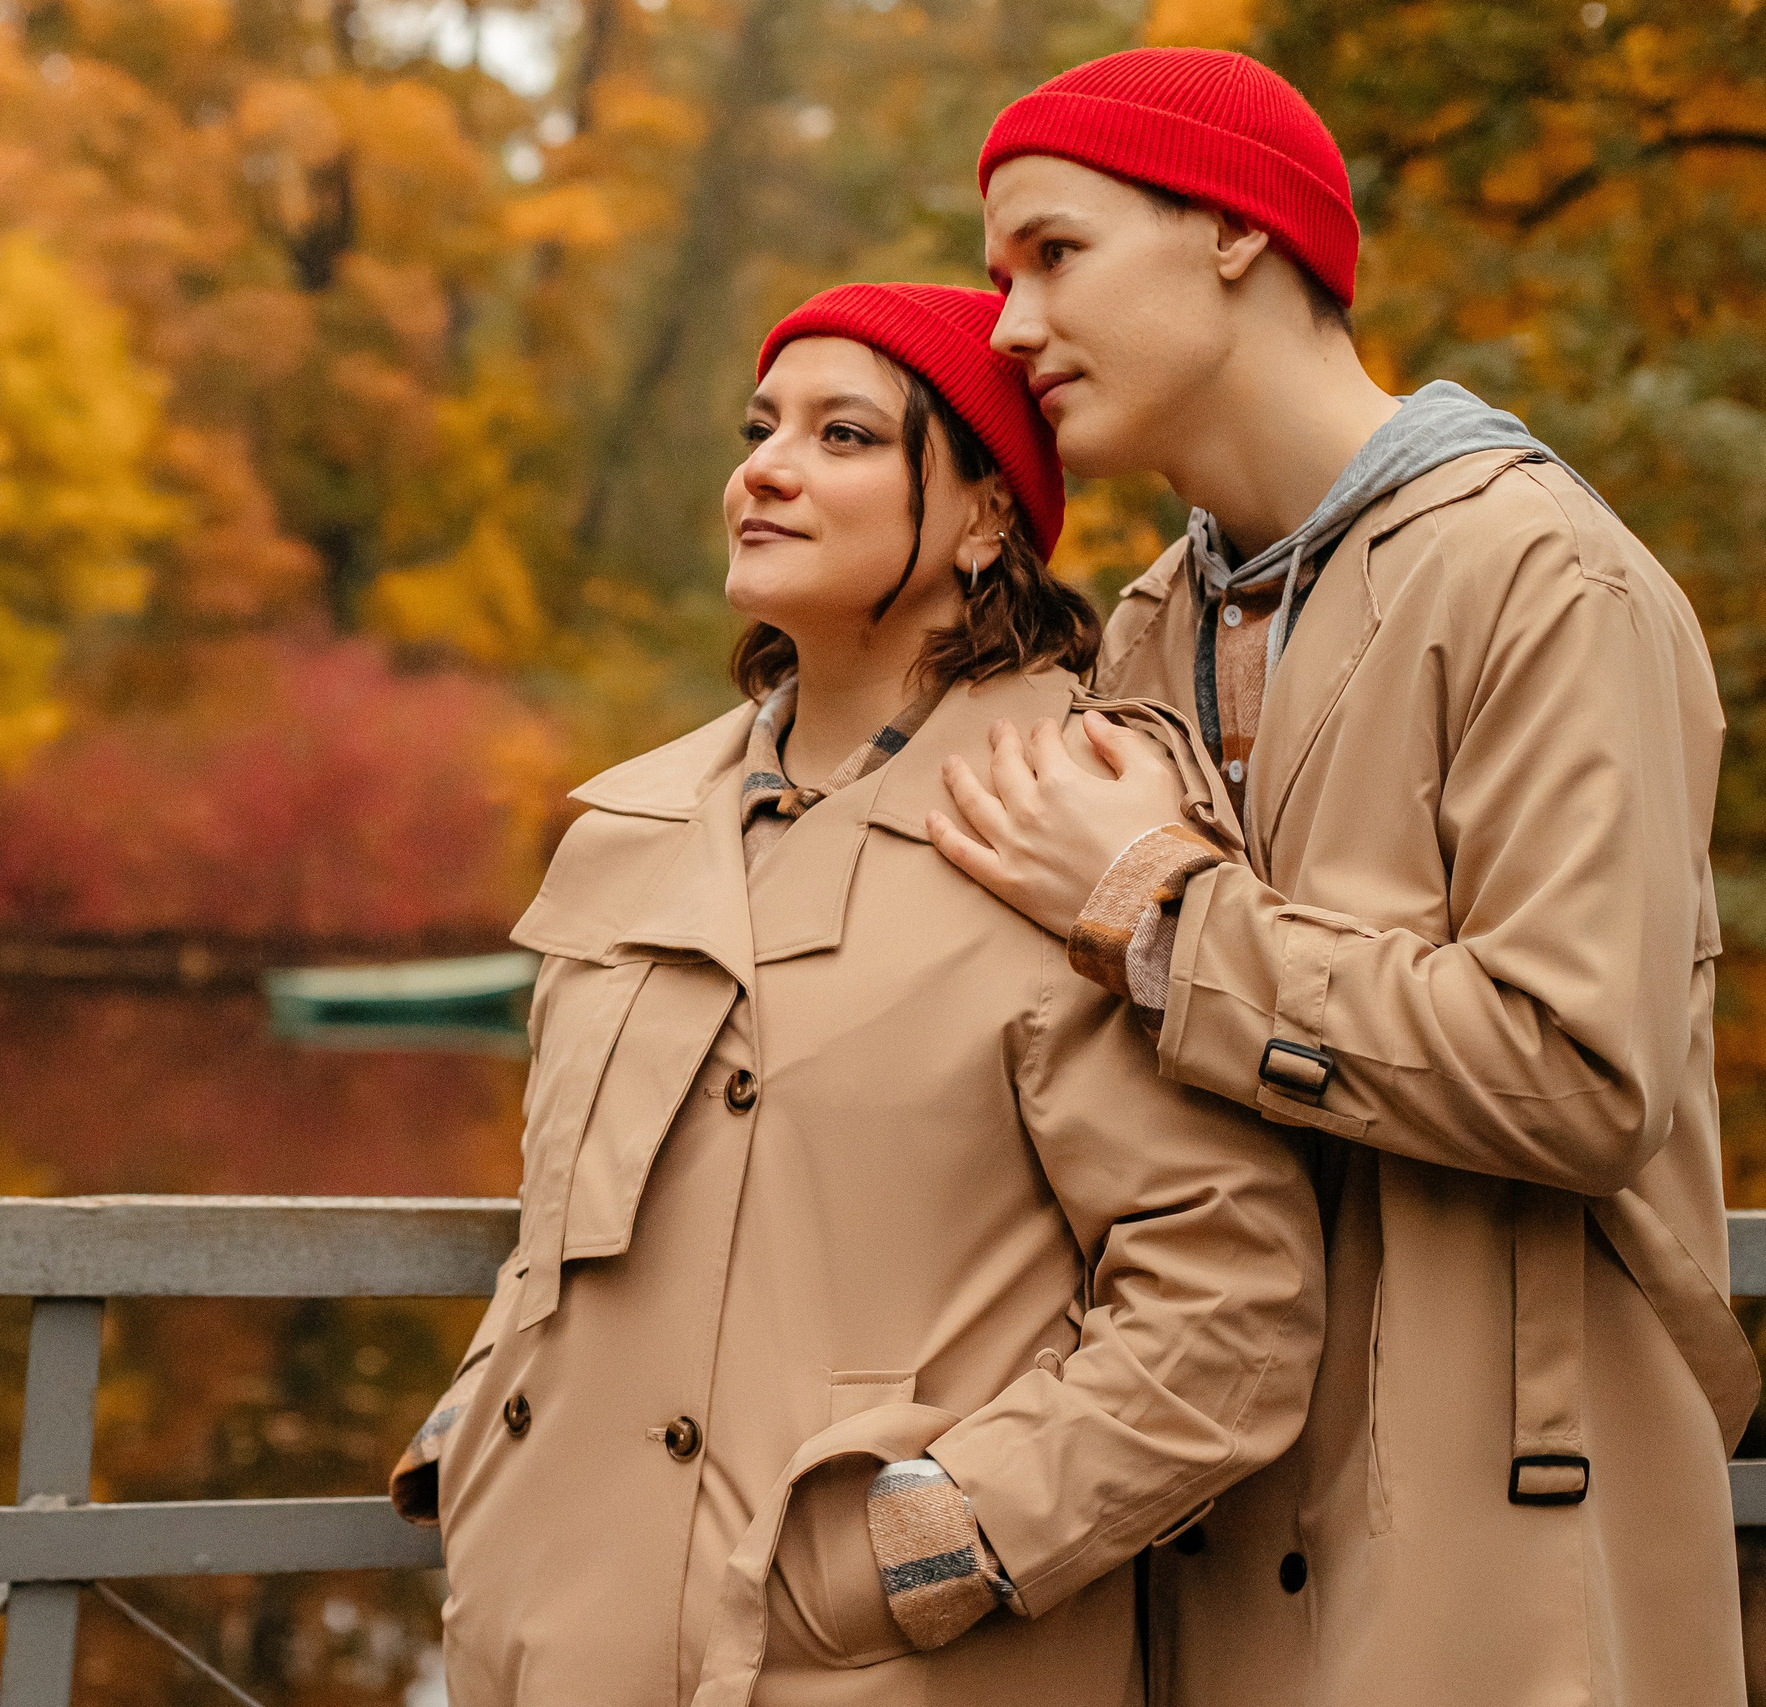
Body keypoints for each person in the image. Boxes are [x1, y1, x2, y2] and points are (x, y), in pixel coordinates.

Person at [931, 47, 1758, 1705]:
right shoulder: (1152, 626)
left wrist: (1163, 916)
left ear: (1235, 231)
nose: (1009, 324)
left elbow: (1582, 1074)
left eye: (1055, 254)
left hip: (1510, 1557)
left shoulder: (1543, 578)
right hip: (1195, 1543)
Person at [387, 280, 1324, 1706]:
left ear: (984, 514)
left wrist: (929, 1545)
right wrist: (479, 1443)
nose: (764, 467)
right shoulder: (631, 831)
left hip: (868, 1665)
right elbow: (559, 1233)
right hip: (550, 1640)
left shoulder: (1067, 826)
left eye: (843, 436)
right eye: (761, 426)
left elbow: (1231, 1309)